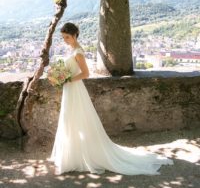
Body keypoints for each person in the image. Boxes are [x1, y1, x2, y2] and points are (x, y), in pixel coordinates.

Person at [47, 22, 173, 175]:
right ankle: (70, 156)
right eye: (63, 38)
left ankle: (76, 157)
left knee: (75, 120)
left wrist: (66, 79)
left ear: (74, 35)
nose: (65, 40)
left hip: (75, 89)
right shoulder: (72, 49)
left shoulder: (78, 52)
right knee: (69, 121)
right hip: (70, 89)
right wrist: (61, 77)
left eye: (67, 37)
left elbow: (86, 74)